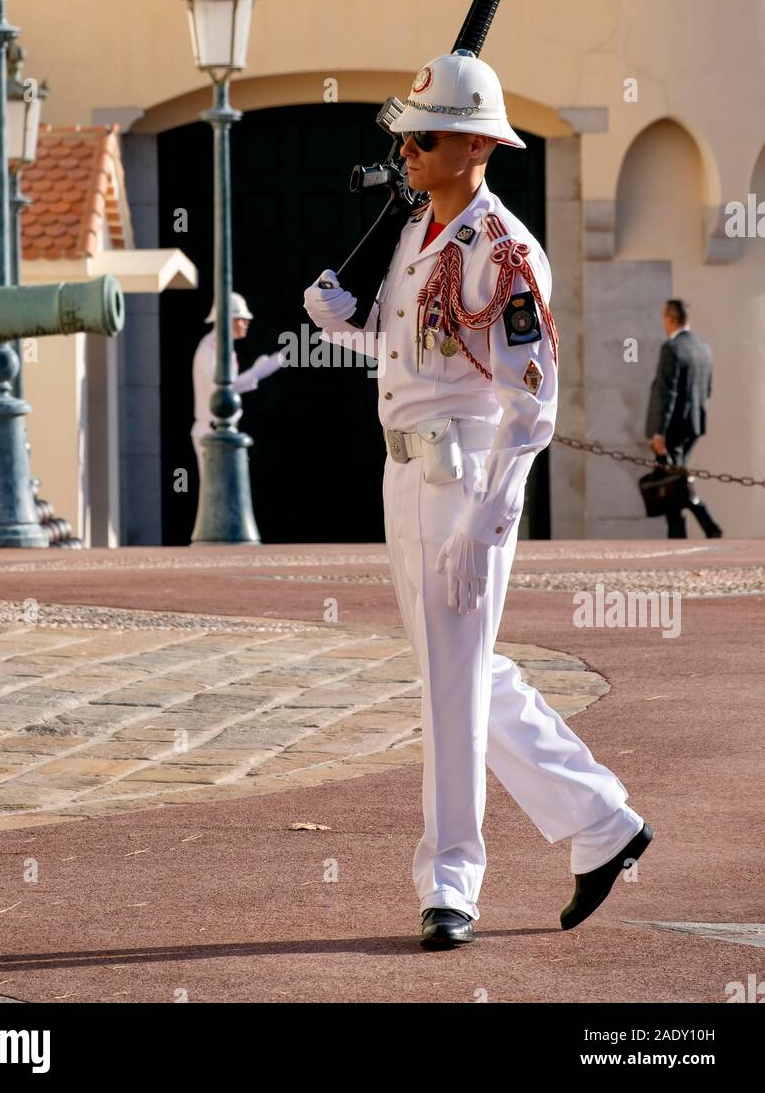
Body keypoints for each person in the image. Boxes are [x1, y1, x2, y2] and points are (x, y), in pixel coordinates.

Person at [303, 50, 653, 950]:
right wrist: (350, 322)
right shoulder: (419, 236)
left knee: (452, 690)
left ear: (474, 146)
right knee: (460, 677)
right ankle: (603, 824)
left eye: (426, 138)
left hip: (464, 486)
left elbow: (531, 405)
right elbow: (415, 350)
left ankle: (451, 881)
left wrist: (486, 522)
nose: (407, 150)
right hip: (405, 478)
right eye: (408, 137)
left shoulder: (503, 251)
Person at [645, 299, 722, 539]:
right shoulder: (703, 347)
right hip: (694, 424)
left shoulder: (672, 347)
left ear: (670, 317)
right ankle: (700, 526)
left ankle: (699, 526)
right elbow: (707, 389)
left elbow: (667, 392)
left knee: (673, 483)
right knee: (676, 479)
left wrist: (659, 432)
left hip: (672, 429)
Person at [191, 293, 282, 466]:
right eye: (241, 319)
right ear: (226, 319)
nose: (246, 323)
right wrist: (256, 372)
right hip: (212, 434)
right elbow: (221, 391)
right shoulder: (211, 347)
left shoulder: (221, 347)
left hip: (220, 432)